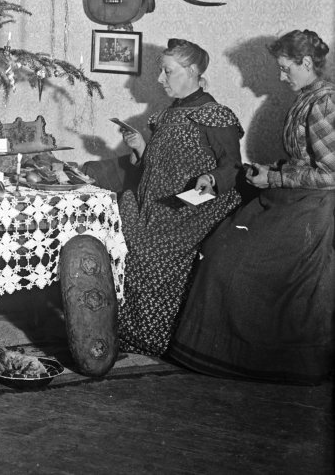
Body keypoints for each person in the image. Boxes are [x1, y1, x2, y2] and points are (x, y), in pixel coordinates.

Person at [169, 30, 335, 384]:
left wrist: (274, 179)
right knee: (219, 250)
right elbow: (305, 163)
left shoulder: (324, 102)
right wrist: (269, 170)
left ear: (307, 63)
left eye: (286, 68)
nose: (280, 76)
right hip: (292, 197)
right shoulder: (308, 97)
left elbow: (330, 175)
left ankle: (258, 358)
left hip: (311, 209)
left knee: (230, 263)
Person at [82, 38, 243, 357]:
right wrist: (141, 146)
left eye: (167, 71)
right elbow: (158, 166)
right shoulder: (169, 114)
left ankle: (156, 338)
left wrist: (208, 182)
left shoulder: (215, 114)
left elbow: (232, 168)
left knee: (147, 246)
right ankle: (129, 332)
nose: (159, 79)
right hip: (157, 204)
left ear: (193, 71)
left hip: (194, 205)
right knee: (118, 219)